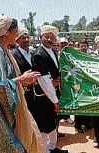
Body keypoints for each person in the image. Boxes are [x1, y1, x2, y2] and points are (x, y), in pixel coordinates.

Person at [0, 16, 44, 153]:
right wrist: (21, 79)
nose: (16, 35)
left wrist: (21, 81)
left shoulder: (1, 49)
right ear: (6, 32)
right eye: (15, 31)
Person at [32, 25, 68, 153]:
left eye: (52, 37)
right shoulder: (39, 55)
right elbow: (44, 81)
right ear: (41, 37)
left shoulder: (53, 51)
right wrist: (55, 101)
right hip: (44, 97)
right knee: (43, 125)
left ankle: (52, 147)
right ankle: (44, 150)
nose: (49, 39)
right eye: (46, 37)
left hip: (53, 94)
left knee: (52, 122)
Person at [12, 28, 36, 118]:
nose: (26, 40)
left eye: (27, 37)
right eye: (23, 38)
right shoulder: (13, 55)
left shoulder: (33, 54)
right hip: (22, 94)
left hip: (35, 94)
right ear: (17, 40)